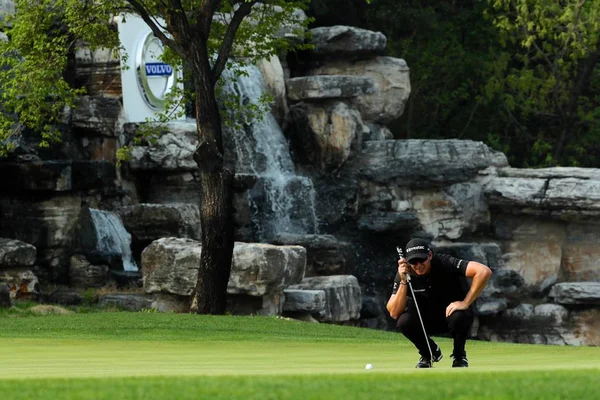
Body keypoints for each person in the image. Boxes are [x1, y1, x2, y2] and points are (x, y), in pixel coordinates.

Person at [386, 238, 492, 368]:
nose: (418, 265)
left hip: (451, 317)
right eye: (413, 261)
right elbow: (393, 312)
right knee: (404, 321)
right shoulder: (405, 273)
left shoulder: (444, 262)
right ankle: (429, 353)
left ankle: (459, 356)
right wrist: (403, 281)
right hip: (425, 321)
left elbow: (483, 271)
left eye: (422, 260)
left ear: (430, 255)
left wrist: (465, 302)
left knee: (460, 315)